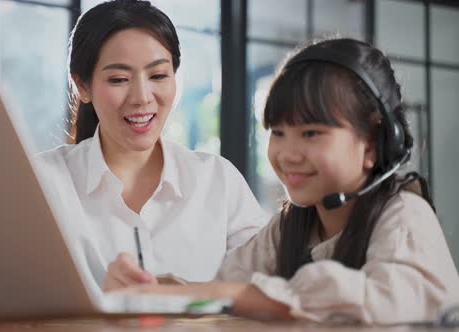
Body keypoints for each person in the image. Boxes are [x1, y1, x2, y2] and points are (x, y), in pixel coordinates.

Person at [121, 38, 459, 324]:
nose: (288, 153)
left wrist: (241, 295)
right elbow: (227, 287)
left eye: (311, 133)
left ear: (371, 144)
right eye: (278, 133)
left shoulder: (402, 215)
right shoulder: (291, 224)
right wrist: (163, 291)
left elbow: (384, 303)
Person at [36, 0, 266, 292]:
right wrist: (101, 302)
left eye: (158, 75)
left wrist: (187, 295)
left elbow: (271, 291)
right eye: (119, 79)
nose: (142, 97)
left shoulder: (219, 181)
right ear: (82, 86)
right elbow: (8, 296)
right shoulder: (42, 180)